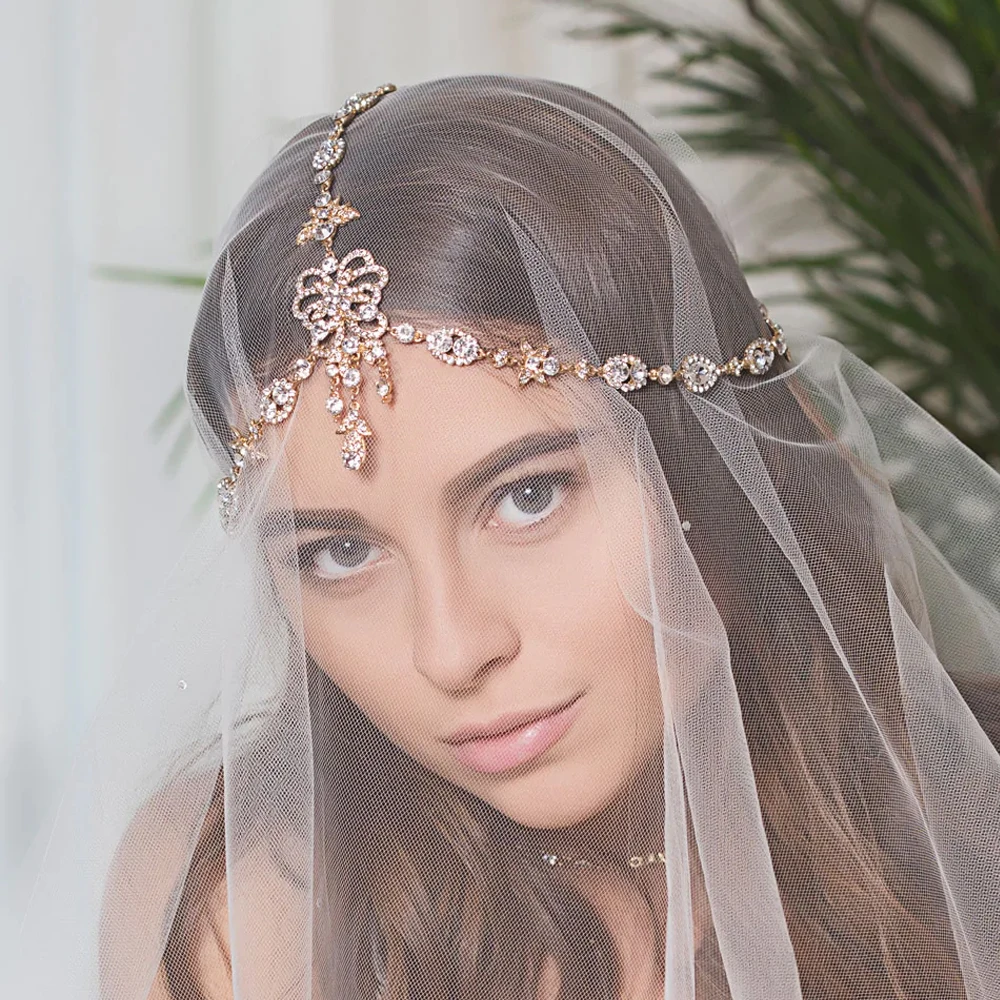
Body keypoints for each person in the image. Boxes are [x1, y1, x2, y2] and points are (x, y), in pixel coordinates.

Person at [11, 75, 1000, 1000]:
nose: (450, 650)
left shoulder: (973, 817)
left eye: (527, 497)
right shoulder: (247, 900)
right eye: (339, 552)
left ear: (720, 460)